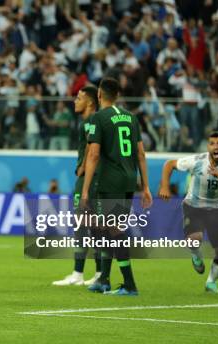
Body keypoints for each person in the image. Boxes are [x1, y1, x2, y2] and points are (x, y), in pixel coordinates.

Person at [82, 77, 152, 296]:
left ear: (99, 95)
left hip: (110, 180)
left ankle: (130, 284)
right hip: (129, 179)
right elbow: (140, 152)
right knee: (106, 228)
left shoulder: (98, 118)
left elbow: (93, 154)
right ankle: (103, 279)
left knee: (114, 230)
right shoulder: (131, 118)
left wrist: (85, 190)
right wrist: (146, 186)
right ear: (118, 96)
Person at [159, 132, 218, 293]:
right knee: (194, 238)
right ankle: (196, 255)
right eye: (212, 143)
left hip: (217, 209)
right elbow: (169, 164)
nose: (216, 146)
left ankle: (211, 282)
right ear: (208, 147)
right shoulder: (198, 161)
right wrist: (164, 186)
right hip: (194, 206)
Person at [52, 85, 101, 287]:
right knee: (95, 227)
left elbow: (92, 148)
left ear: (89, 102)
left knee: (82, 225)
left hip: (88, 178)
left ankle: (79, 273)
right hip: (96, 178)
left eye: (79, 98)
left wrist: (82, 168)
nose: (75, 101)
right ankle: (96, 273)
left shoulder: (91, 121)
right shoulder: (90, 121)